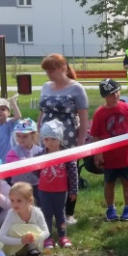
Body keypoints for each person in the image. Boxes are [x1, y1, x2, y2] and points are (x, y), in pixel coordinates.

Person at [39, 53, 89, 225]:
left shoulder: (76, 89)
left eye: (51, 70)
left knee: (69, 174)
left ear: (63, 68)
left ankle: (68, 212)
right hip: (46, 139)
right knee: (47, 173)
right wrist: (38, 132)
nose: (49, 74)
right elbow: (42, 113)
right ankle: (47, 210)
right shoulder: (46, 87)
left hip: (68, 139)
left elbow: (83, 117)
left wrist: (81, 142)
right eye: (46, 71)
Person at [89, 79, 128, 222]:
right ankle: (111, 208)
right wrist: (97, 154)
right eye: (110, 94)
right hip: (109, 157)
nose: (115, 95)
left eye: (116, 92)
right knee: (109, 182)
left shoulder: (127, 108)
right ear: (104, 96)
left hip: (127, 155)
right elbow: (95, 135)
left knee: (127, 181)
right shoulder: (99, 113)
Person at [37, 120, 78, 249]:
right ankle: (48, 237)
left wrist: (73, 190)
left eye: (53, 139)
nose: (50, 143)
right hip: (44, 191)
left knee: (60, 214)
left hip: (61, 190)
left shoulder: (66, 155)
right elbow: (35, 170)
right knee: (47, 214)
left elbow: (73, 173)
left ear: (60, 139)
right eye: (46, 139)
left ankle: (62, 236)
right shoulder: (40, 155)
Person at [0, 182, 49, 256]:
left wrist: (35, 238)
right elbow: (1, 236)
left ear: (29, 200)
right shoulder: (11, 213)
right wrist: (21, 240)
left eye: (19, 201)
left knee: (35, 228)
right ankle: (12, 253)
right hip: (15, 245)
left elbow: (46, 232)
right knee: (13, 228)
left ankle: (32, 248)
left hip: (34, 243)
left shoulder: (37, 212)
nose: (15, 204)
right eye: (12, 200)